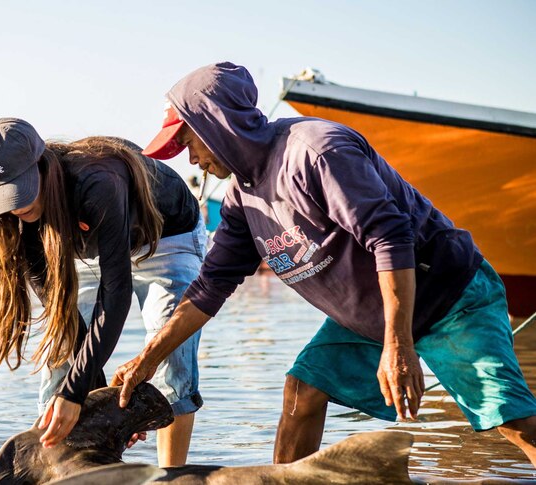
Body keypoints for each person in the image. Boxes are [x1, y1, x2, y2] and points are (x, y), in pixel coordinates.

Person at [112, 62, 536, 466]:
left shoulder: (316, 151)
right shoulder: (242, 198)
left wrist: (399, 344)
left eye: (189, 142)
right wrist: (148, 358)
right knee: (303, 389)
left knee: (510, 419)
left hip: (447, 296)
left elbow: (391, 237)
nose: (191, 160)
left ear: (217, 125)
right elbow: (209, 287)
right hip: (367, 316)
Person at [0, 118, 206, 466]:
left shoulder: (96, 179)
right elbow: (68, 321)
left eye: (22, 189)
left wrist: (78, 395)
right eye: (5, 196)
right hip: (93, 250)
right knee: (61, 357)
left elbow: (115, 291)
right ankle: (62, 471)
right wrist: (103, 406)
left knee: (170, 351)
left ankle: (171, 475)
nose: (16, 206)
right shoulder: (14, 221)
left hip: (167, 237)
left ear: (42, 165)